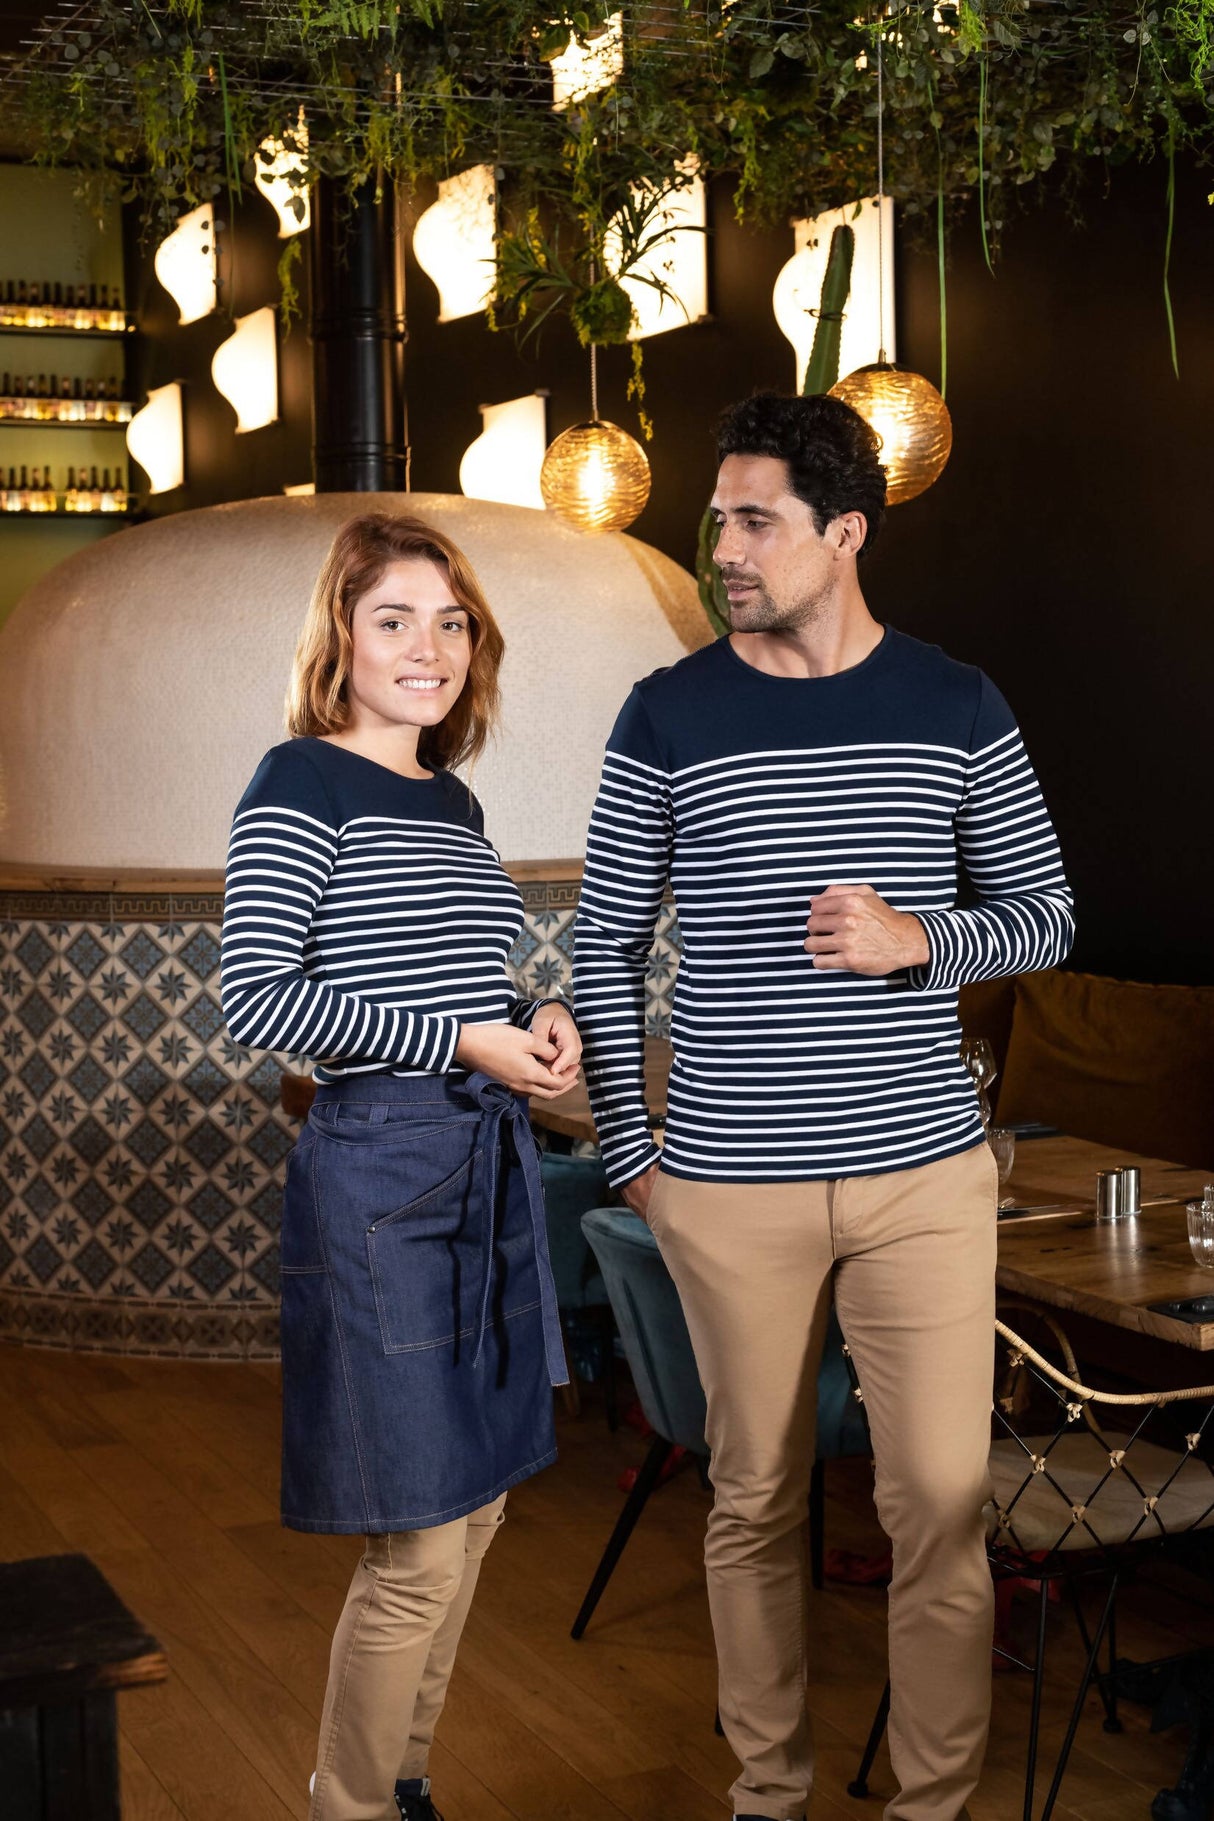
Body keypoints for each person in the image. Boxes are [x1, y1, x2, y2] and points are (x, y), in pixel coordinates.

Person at [573, 392, 1074, 1821]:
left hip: (923, 1178)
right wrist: (636, 1159)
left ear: (844, 532)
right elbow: (604, 942)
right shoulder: (667, 711)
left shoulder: (954, 700)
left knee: (939, 1507)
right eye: (717, 519)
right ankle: (768, 1794)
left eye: (756, 522)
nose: (724, 549)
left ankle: (931, 1806)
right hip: (726, 1184)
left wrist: (917, 937)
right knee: (751, 1501)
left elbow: (1043, 914)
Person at [221, 513, 580, 1821]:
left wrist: (533, 1012)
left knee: (474, 1512)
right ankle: (353, 1808)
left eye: (450, 622)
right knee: (419, 1538)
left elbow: (453, 977)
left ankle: (401, 1783)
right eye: (394, 620)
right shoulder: (296, 781)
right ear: (342, 636)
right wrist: (465, 1040)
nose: (428, 648)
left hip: (480, 1168)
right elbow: (257, 999)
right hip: (379, 1182)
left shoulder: (452, 797)